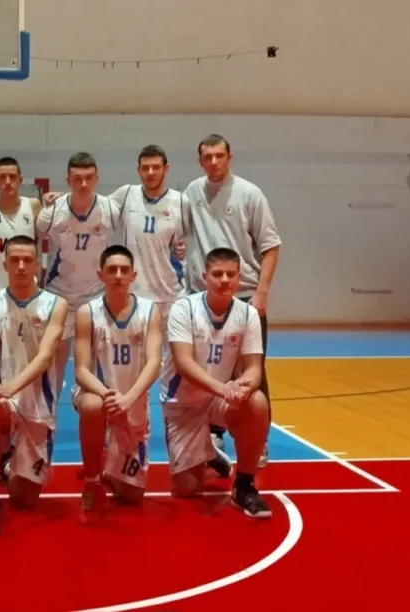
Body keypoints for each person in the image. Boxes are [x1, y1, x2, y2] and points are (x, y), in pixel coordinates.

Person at [182, 134, 282, 468]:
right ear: (200, 161)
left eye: (219, 156)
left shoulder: (250, 194)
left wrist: (261, 293)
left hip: (244, 296)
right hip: (203, 300)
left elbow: (271, 246)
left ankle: (258, 439)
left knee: (252, 370)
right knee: (209, 368)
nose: (213, 162)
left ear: (230, 157)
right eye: (207, 157)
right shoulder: (192, 192)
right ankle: (214, 433)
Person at [159, 247, 272, 519]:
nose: (224, 280)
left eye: (231, 274)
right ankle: (210, 453)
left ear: (239, 278)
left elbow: (254, 367)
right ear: (204, 276)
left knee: (257, 402)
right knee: (188, 488)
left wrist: (245, 386)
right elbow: (184, 363)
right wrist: (224, 389)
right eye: (217, 274)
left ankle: (244, 486)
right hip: (182, 403)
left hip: (216, 400)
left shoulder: (248, 314)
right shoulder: (184, 308)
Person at [0, 236, 68, 536]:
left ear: (37, 264)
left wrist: (10, 388)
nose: (22, 266)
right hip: (2, 395)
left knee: (25, 500)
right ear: (4, 264)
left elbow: (45, 357)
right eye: (15, 260)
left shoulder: (56, 304)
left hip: (37, 400)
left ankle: (7, 464)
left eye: (28, 260)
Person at [71, 245, 162, 518]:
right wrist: (109, 397)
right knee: (92, 406)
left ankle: (111, 464)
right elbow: (81, 371)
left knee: (133, 497)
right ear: (101, 275)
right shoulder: (87, 312)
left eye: (124, 270)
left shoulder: (150, 311)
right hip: (98, 394)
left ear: (134, 275)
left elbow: (154, 363)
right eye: (112, 270)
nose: (118, 275)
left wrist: (128, 400)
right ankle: (91, 482)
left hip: (132, 400)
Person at [36, 152, 121, 391]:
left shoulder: (110, 210)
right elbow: (30, 246)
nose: (83, 184)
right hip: (59, 297)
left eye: (89, 178)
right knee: (53, 365)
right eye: (77, 178)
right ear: (68, 180)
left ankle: (93, 407)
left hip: (96, 297)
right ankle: (49, 412)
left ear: (97, 179)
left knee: (97, 367)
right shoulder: (50, 214)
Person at [109, 145, 189, 329]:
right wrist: (62, 197)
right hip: (135, 294)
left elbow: (190, 241)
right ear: (138, 170)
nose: (150, 172)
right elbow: (95, 205)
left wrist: (183, 248)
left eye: (156, 167)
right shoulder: (126, 194)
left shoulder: (181, 201)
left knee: (175, 348)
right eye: (145, 168)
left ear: (166, 168)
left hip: (172, 296)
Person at [0, 157, 40, 295]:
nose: (8, 182)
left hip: (28, 290)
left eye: (12, 177)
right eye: (3, 177)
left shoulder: (33, 206)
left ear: (20, 180)